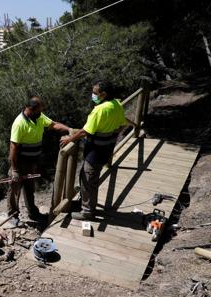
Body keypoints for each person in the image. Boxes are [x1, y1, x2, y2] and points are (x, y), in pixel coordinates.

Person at [60, 80, 128, 220]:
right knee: (92, 178)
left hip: (95, 151)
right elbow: (122, 125)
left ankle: (87, 212)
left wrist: (69, 139)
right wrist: (111, 134)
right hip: (107, 148)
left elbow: (85, 131)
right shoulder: (116, 104)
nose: (93, 95)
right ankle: (86, 204)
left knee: (88, 180)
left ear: (103, 94)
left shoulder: (100, 109)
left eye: (95, 93)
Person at [8, 96, 74, 227]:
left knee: (29, 187)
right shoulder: (19, 123)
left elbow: (54, 125)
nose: (41, 112)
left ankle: (32, 212)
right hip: (20, 162)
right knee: (15, 188)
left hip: (31, 161)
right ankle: (12, 215)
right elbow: (13, 147)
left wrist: (69, 130)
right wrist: (14, 169)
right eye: (39, 110)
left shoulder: (38, 117)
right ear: (31, 109)